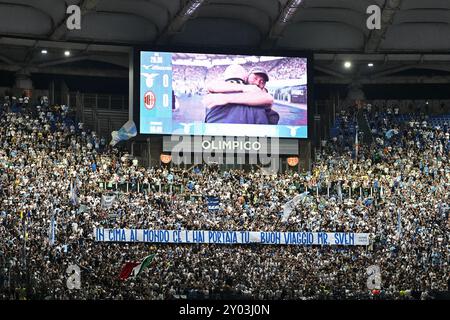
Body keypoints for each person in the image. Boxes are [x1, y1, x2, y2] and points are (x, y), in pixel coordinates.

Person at [203, 64, 273, 124]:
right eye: (255, 78)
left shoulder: (262, 96)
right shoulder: (221, 88)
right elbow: (211, 86)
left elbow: (268, 99)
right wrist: (244, 88)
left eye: (262, 82)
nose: (257, 83)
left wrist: (226, 98)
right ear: (246, 78)